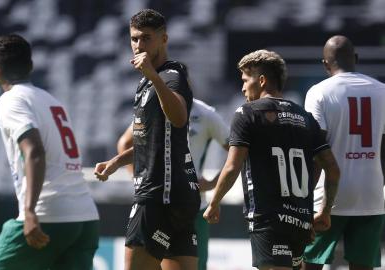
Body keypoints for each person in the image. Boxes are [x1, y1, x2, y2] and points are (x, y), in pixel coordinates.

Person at [203, 49, 340, 270]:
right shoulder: (306, 118)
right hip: (300, 221)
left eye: (246, 80)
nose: (243, 87)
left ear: (262, 80)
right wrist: (324, 210)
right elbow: (332, 170)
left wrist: (214, 202)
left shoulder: (247, 113)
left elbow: (231, 167)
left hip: (268, 220)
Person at [94, 9, 200, 270]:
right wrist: (117, 161)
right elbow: (152, 140)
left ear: (164, 39)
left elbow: (178, 117)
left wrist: (152, 75)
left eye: (146, 38)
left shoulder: (170, 76)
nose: (138, 45)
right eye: (134, 39)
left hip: (158, 194)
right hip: (178, 195)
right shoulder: (147, 83)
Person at [0, 34, 99, 270]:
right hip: (85, 217)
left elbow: (35, 151)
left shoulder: (10, 100)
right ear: (30, 65)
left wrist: (28, 211)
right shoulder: (51, 100)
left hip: (49, 213)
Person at [302, 35, 385, 270]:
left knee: (310, 263)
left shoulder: (319, 92)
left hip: (328, 197)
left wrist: (305, 198)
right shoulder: (382, 91)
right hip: (371, 195)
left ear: (325, 64)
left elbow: (316, 151)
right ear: (355, 58)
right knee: (363, 266)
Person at [117, 98, 230, 270]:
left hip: (165, 203)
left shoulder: (204, 113)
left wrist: (214, 183)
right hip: (188, 204)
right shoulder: (202, 113)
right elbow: (125, 144)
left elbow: (235, 150)